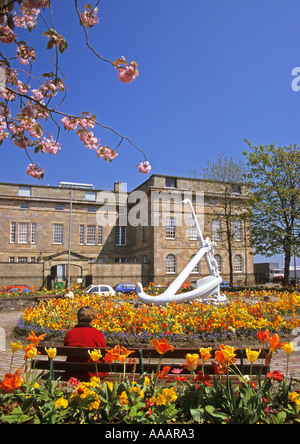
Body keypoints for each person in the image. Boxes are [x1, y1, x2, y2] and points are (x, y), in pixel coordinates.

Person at [64, 306, 106, 381]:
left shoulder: (69, 334)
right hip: (92, 374)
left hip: (72, 373)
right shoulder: (97, 334)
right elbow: (103, 355)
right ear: (92, 319)